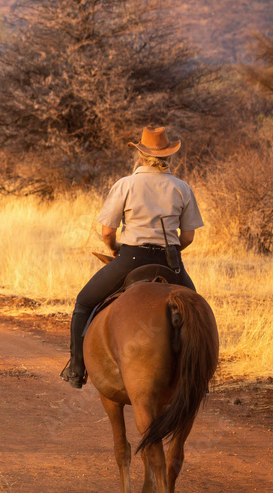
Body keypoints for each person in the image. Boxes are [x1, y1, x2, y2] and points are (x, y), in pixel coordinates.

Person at [60, 126, 204, 388]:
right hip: (170, 261)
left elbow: (107, 232)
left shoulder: (125, 184)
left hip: (130, 259)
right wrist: (170, 252)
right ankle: (200, 379)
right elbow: (188, 237)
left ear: (140, 155)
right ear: (168, 157)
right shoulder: (182, 187)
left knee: (84, 302)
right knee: (198, 311)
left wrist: (114, 248)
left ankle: (77, 368)